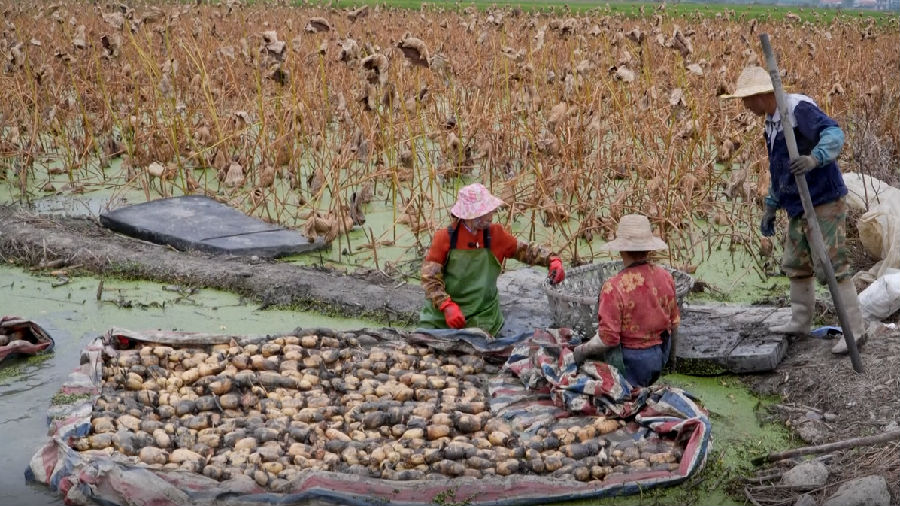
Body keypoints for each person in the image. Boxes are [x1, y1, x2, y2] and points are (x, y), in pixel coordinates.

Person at [723, 66, 865, 354]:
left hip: (822, 199)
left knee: (831, 263)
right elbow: (780, 172)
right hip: (798, 204)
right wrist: (771, 206)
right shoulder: (771, 123)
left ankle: (856, 330)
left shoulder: (798, 110)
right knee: (797, 263)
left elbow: (834, 134)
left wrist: (814, 159)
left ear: (761, 95)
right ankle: (801, 322)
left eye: (746, 100)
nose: (744, 106)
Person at [418, 183, 565, 336]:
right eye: (484, 212)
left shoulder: (495, 235)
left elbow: (525, 251)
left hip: (482, 313)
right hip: (443, 315)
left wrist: (552, 259)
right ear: (468, 215)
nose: (490, 215)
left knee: (479, 343)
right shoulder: (444, 238)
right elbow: (429, 278)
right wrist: (446, 305)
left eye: (490, 210)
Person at [572, 214, 680, 388]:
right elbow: (674, 325)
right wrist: (671, 360)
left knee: (585, 363)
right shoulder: (666, 277)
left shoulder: (614, 287)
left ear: (621, 249)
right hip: (659, 357)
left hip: (631, 363)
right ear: (648, 248)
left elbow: (608, 339)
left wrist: (580, 352)